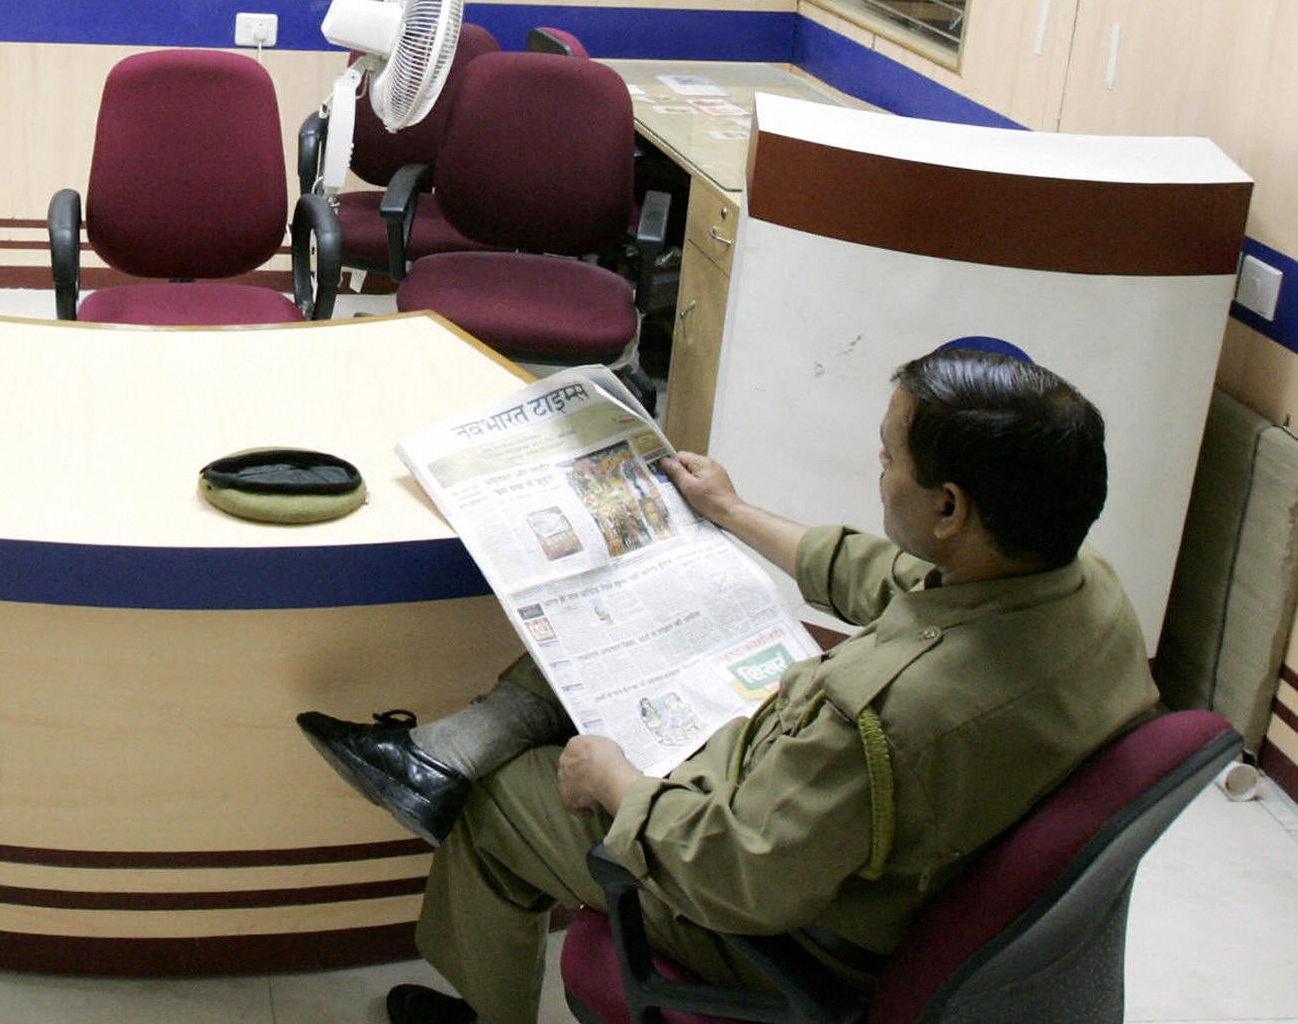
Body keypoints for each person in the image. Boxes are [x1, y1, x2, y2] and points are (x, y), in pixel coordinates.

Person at [296, 347, 1157, 1024]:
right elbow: (882, 574)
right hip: (856, 826)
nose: (878, 468)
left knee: (501, 806)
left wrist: (610, 782)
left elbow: (736, 873)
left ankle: (483, 989)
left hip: (775, 917)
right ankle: (445, 750)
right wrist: (732, 512)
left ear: (950, 508)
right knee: (614, 630)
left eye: (889, 458)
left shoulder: (884, 719)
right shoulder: (1084, 594)